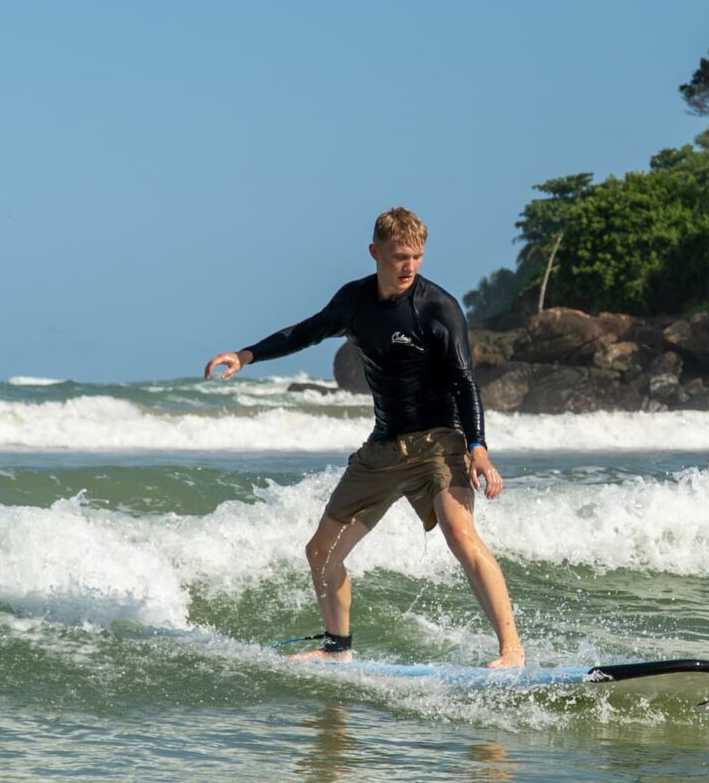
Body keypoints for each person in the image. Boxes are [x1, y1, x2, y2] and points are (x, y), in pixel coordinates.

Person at [204, 208, 524, 668]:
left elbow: (465, 380)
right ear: (375, 253)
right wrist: (246, 355)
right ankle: (338, 648)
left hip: (439, 443)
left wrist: (477, 448)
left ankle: (511, 650)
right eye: (399, 256)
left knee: (458, 532)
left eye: (416, 256)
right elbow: (308, 331)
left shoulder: (438, 307)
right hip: (383, 448)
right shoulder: (354, 302)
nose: (409, 266)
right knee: (320, 551)